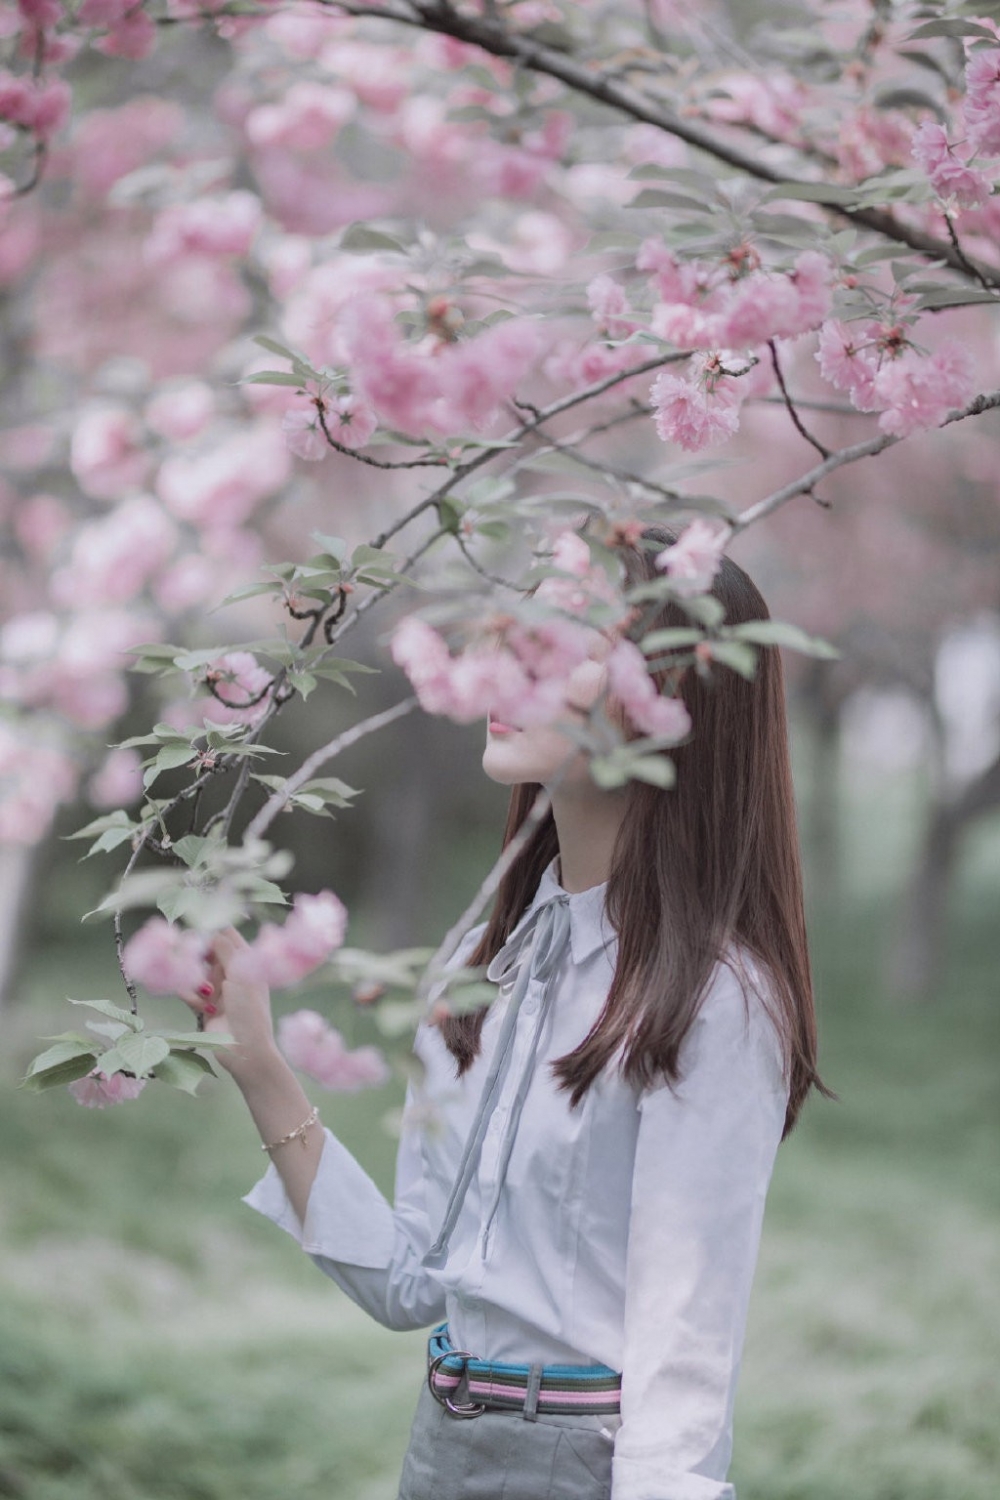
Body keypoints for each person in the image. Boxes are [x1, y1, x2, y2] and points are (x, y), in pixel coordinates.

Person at [181, 528, 826, 1500]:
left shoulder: (712, 1001)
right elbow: (411, 1282)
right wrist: (262, 1066)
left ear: (670, 700)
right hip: (441, 1447)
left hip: (580, 1463)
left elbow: (683, 1344)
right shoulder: (486, 968)